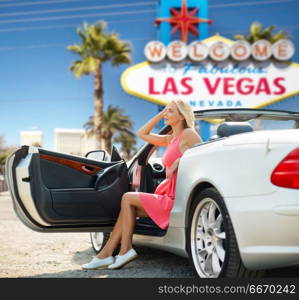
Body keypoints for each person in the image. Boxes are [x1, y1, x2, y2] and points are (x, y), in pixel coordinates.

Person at [82, 99, 203, 270]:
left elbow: (203, 156)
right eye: (165, 111)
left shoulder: (189, 134)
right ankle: (106, 254)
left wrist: (178, 162)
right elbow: (142, 133)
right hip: (166, 194)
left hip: (176, 199)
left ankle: (123, 251)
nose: (165, 115)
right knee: (127, 209)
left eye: (170, 111)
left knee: (127, 198)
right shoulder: (171, 139)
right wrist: (161, 114)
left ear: (182, 117)